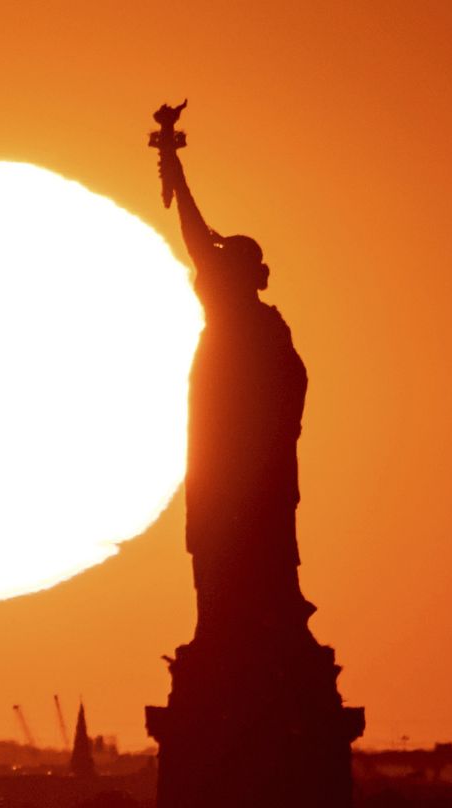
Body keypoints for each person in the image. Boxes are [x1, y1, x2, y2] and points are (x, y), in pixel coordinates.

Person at [154, 106, 315, 644]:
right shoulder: (227, 314)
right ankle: (219, 624)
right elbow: (193, 227)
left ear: (252, 272)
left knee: (266, 533)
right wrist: (172, 159)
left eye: (231, 259)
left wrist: (281, 428)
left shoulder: (270, 326)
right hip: (221, 441)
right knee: (216, 527)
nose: (218, 264)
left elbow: (295, 384)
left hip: (266, 451)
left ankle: (271, 617)